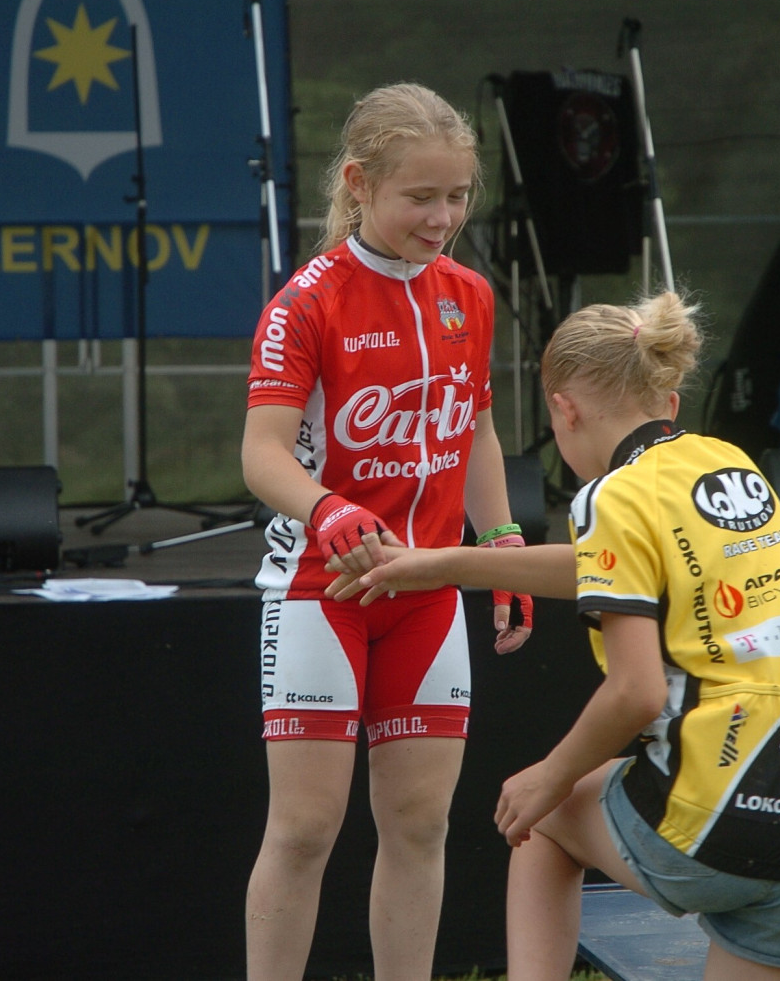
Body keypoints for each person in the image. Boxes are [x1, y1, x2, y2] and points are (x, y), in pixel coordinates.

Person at [330, 291, 780, 981]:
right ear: (667, 400)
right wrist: (443, 565)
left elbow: (637, 692)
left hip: (717, 802)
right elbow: (609, 570)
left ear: (565, 410)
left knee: (543, 819)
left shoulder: (612, 493)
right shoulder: (727, 462)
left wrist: (548, 778)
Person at [240, 81, 534, 981]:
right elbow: (260, 453)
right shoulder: (307, 303)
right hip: (321, 591)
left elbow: (473, 428)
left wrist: (504, 543)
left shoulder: (470, 295)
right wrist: (329, 508)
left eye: (458, 196)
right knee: (304, 828)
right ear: (360, 184)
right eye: (421, 197)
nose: (442, 218)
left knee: (419, 822)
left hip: (428, 592)